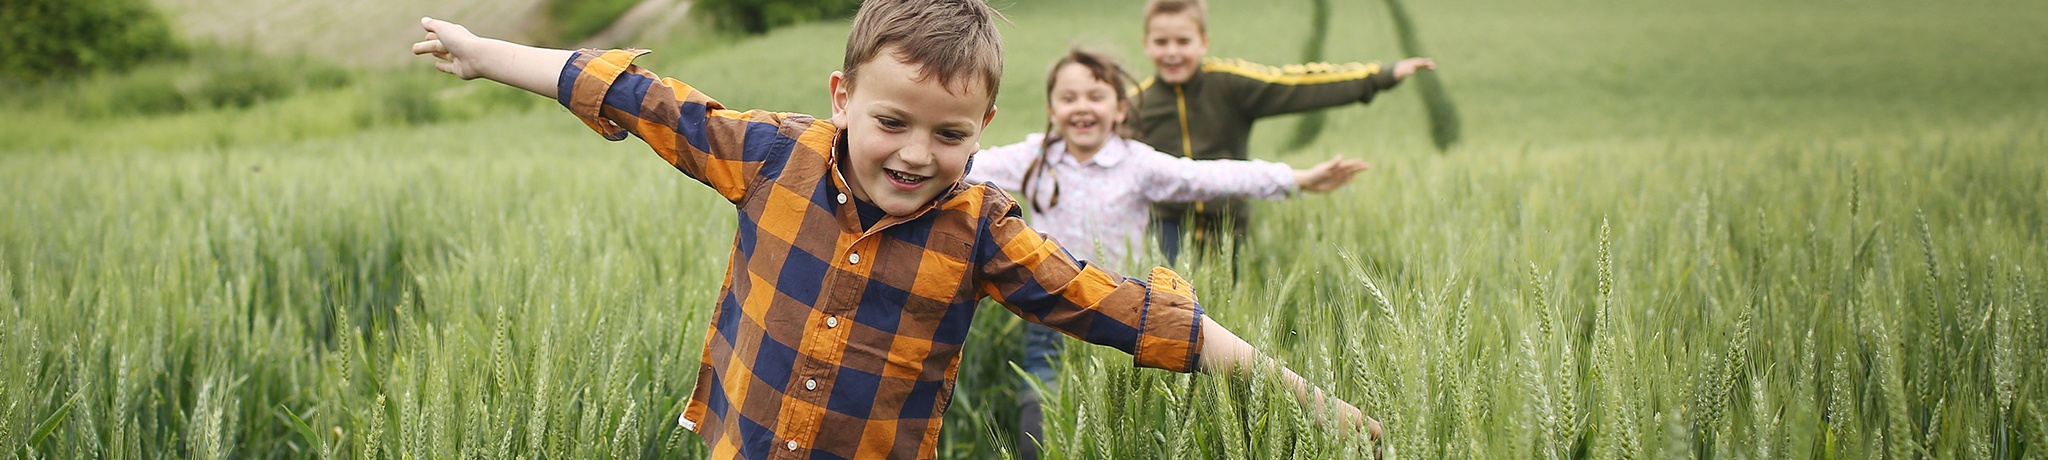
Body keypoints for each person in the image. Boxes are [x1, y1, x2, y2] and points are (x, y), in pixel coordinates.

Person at [410, 0, 1381, 457]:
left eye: (949, 134)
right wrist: (486, 53)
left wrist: (1309, 396)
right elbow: (640, 94)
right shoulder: (770, 154)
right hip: (738, 445)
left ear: (986, 130)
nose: (916, 153)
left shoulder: (984, 232)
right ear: (841, 97)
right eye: (890, 122)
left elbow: (1129, 312)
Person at [963, 46, 1371, 459]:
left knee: (1123, 420)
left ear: (1120, 109)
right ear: (1052, 109)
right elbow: (970, 160)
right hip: (1049, 308)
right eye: (1068, 98)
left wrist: (1294, 179)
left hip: (1122, 311)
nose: (1081, 107)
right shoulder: (1037, 158)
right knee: (1040, 406)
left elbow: (1207, 176)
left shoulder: (1137, 163)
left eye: (1095, 97)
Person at [1133, 0, 1437, 266]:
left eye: (1183, 41)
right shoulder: (1136, 104)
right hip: (1166, 227)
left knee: (1223, 317)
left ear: (1204, 42)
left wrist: (1377, 78)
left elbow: (1297, 86)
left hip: (1230, 226)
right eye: (1162, 42)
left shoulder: (1230, 86)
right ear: (1146, 44)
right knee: (1166, 314)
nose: (1172, 52)